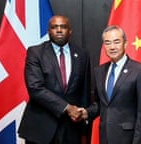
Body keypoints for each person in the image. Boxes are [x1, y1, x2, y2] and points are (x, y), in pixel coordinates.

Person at [18, 15, 91, 144]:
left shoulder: (82, 55)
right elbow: (35, 88)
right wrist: (67, 108)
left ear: (70, 31)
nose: (58, 30)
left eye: (63, 27)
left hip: (72, 128)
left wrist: (84, 125)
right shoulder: (36, 52)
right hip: (41, 127)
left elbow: (84, 91)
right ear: (48, 31)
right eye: (54, 27)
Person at [79, 25, 141, 144]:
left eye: (116, 42)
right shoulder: (99, 71)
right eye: (107, 43)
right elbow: (101, 104)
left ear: (125, 44)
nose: (112, 47)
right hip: (105, 137)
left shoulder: (140, 71)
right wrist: (87, 112)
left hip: (128, 139)